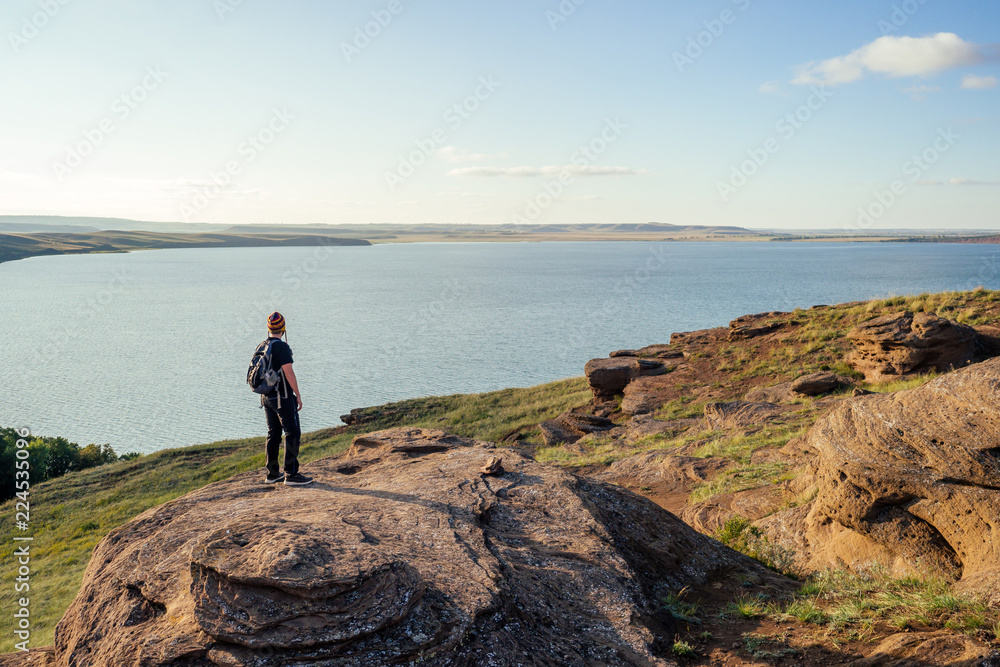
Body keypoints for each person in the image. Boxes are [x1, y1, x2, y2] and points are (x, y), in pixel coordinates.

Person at [260, 311, 313, 486]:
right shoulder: (281, 347)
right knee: (292, 432)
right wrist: (297, 395)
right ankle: (291, 474)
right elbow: (289, 373)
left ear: (269, 328)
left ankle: (272, 474)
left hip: (266, 397)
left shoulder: (262, 346)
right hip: (282, 396)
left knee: (273, 434)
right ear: (283, 329)